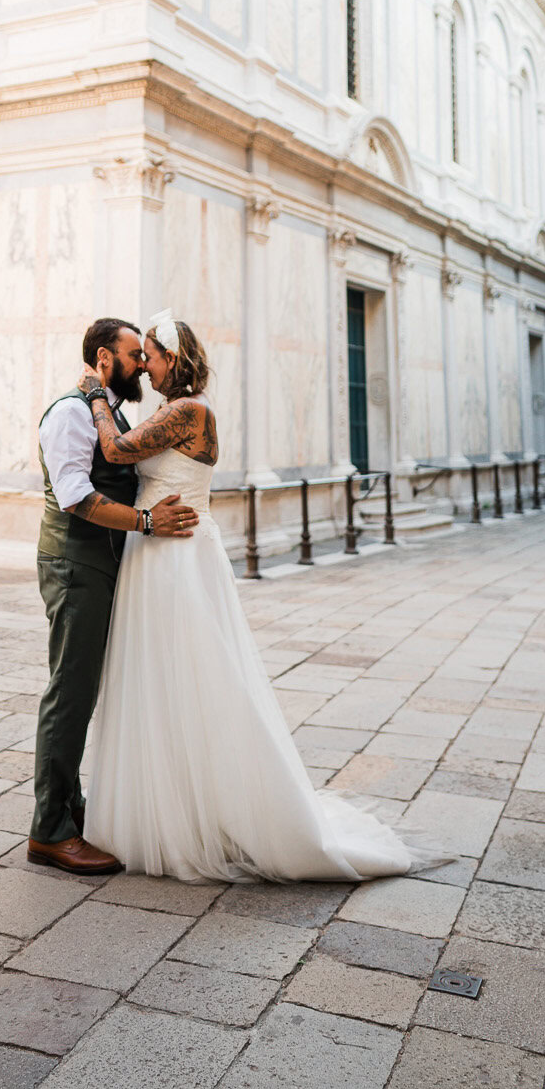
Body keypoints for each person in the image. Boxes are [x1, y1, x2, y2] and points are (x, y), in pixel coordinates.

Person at [76, 311, 418, 884]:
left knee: (196, 675)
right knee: (157, 679)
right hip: (156, 550)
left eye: (151, 356)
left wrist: (93, 396)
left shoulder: (190, 410)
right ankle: (169, 803)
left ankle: (212, 810)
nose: (144, 365)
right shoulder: (166, 409)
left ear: (174, 360)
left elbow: (115, 453)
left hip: (178, 557)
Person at [28, 319, 198, 875]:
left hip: (101, 564)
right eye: (133, 355)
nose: (142, 366)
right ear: (104, 358)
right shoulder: (71, 412)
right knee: (70, 694)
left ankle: (69, 809)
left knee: (84, 692)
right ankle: (50, 832)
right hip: (76, 564)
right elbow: (77, 497)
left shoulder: (108, 411)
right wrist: (147, 521)